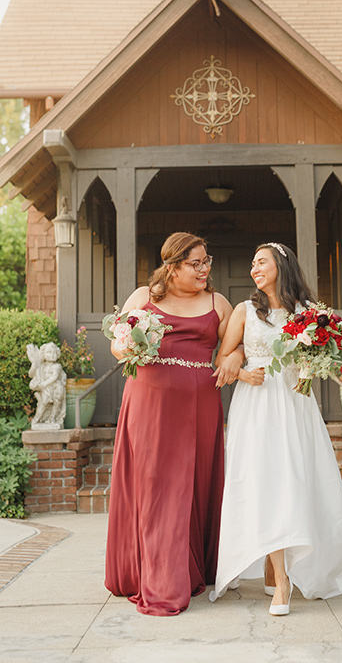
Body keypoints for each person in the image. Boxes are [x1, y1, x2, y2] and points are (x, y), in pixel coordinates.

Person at [211, 242, 342, 615]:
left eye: (260, 262)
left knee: (294, 482)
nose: (253, 269)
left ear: (281, 264)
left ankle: (276, 568)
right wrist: (243, 369)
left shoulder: (309, 314)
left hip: (295, 405)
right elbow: (222, 358)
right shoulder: (245, 311)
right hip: (256, 405)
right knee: (264, 483)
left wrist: (315, 363)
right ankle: (282, 581)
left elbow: (324, 355)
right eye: (252, 263)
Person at [105, 232, 239, 616]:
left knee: (193, 484)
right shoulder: (144, 298)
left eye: (206, 261)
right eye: (195, 263)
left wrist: (237, 355)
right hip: (149, 402)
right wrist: (125, 347)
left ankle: (193, 565)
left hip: (200, 406)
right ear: (173, 265)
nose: (204, 269)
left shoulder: (218, 303)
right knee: (156, 487)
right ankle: (159, 578)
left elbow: (239, 341)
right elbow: (117, 341)